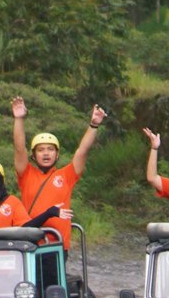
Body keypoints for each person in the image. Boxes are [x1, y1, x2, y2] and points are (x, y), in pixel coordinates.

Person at [12, 98, 106, 248]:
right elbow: (19, 148)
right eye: (41, 150)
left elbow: (82, 151)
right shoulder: (26, 173)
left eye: (50, 149)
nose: (46, 154)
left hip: (58, 243)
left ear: (57, 154)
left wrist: (93, 125)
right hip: (30, 243)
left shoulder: (66, 175)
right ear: (34, 155)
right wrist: (19, 119)